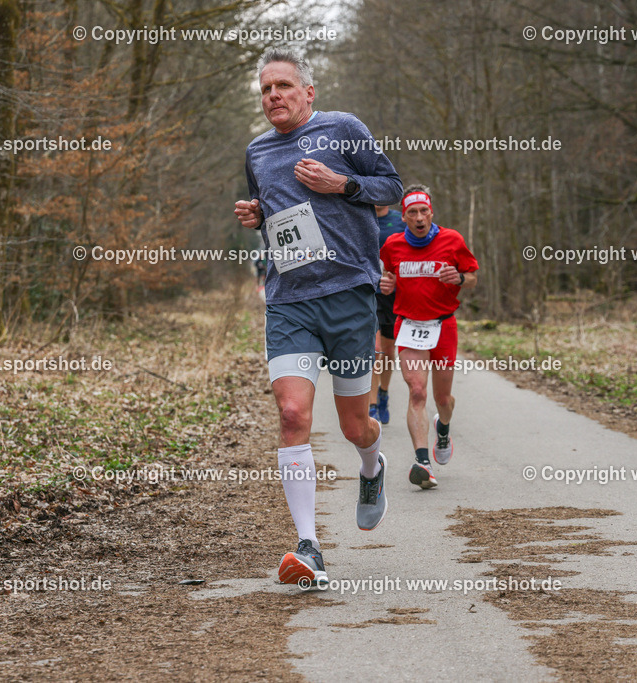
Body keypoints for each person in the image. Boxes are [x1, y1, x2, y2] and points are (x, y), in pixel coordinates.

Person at [233, 48, 403, 587]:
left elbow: (391, 188)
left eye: (283, 86)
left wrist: (342, 185)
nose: (274, 96)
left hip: (349, 293)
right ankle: (309, 546)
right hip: (289, 299)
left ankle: (372, 467)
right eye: (265, 90)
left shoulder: (343, 129)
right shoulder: (257, 151)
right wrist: (255, 215)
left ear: (309, 92)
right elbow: (271, 211)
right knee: (290, 413)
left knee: (355, 424)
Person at [379, 185, 478, 489]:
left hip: (443, 326)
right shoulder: (392, 246)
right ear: (404, 218)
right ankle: (422, 462)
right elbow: (388, 277)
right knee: (417, 392)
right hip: (408, 326)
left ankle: (443, 428)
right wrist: (387, 284)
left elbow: (472, 276)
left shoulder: (452, 240)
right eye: (412, 213)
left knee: (442, 398)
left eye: (424, 211)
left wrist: (460, 277)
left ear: (431, 212)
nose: (419, 217)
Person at [368, 204, 405, 424]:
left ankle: (384, 392)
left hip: (393, 293)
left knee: (389, 351)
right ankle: (372, 406)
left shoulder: (401, 221)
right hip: (368, 292)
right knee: (376, 350)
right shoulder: (360, 215)